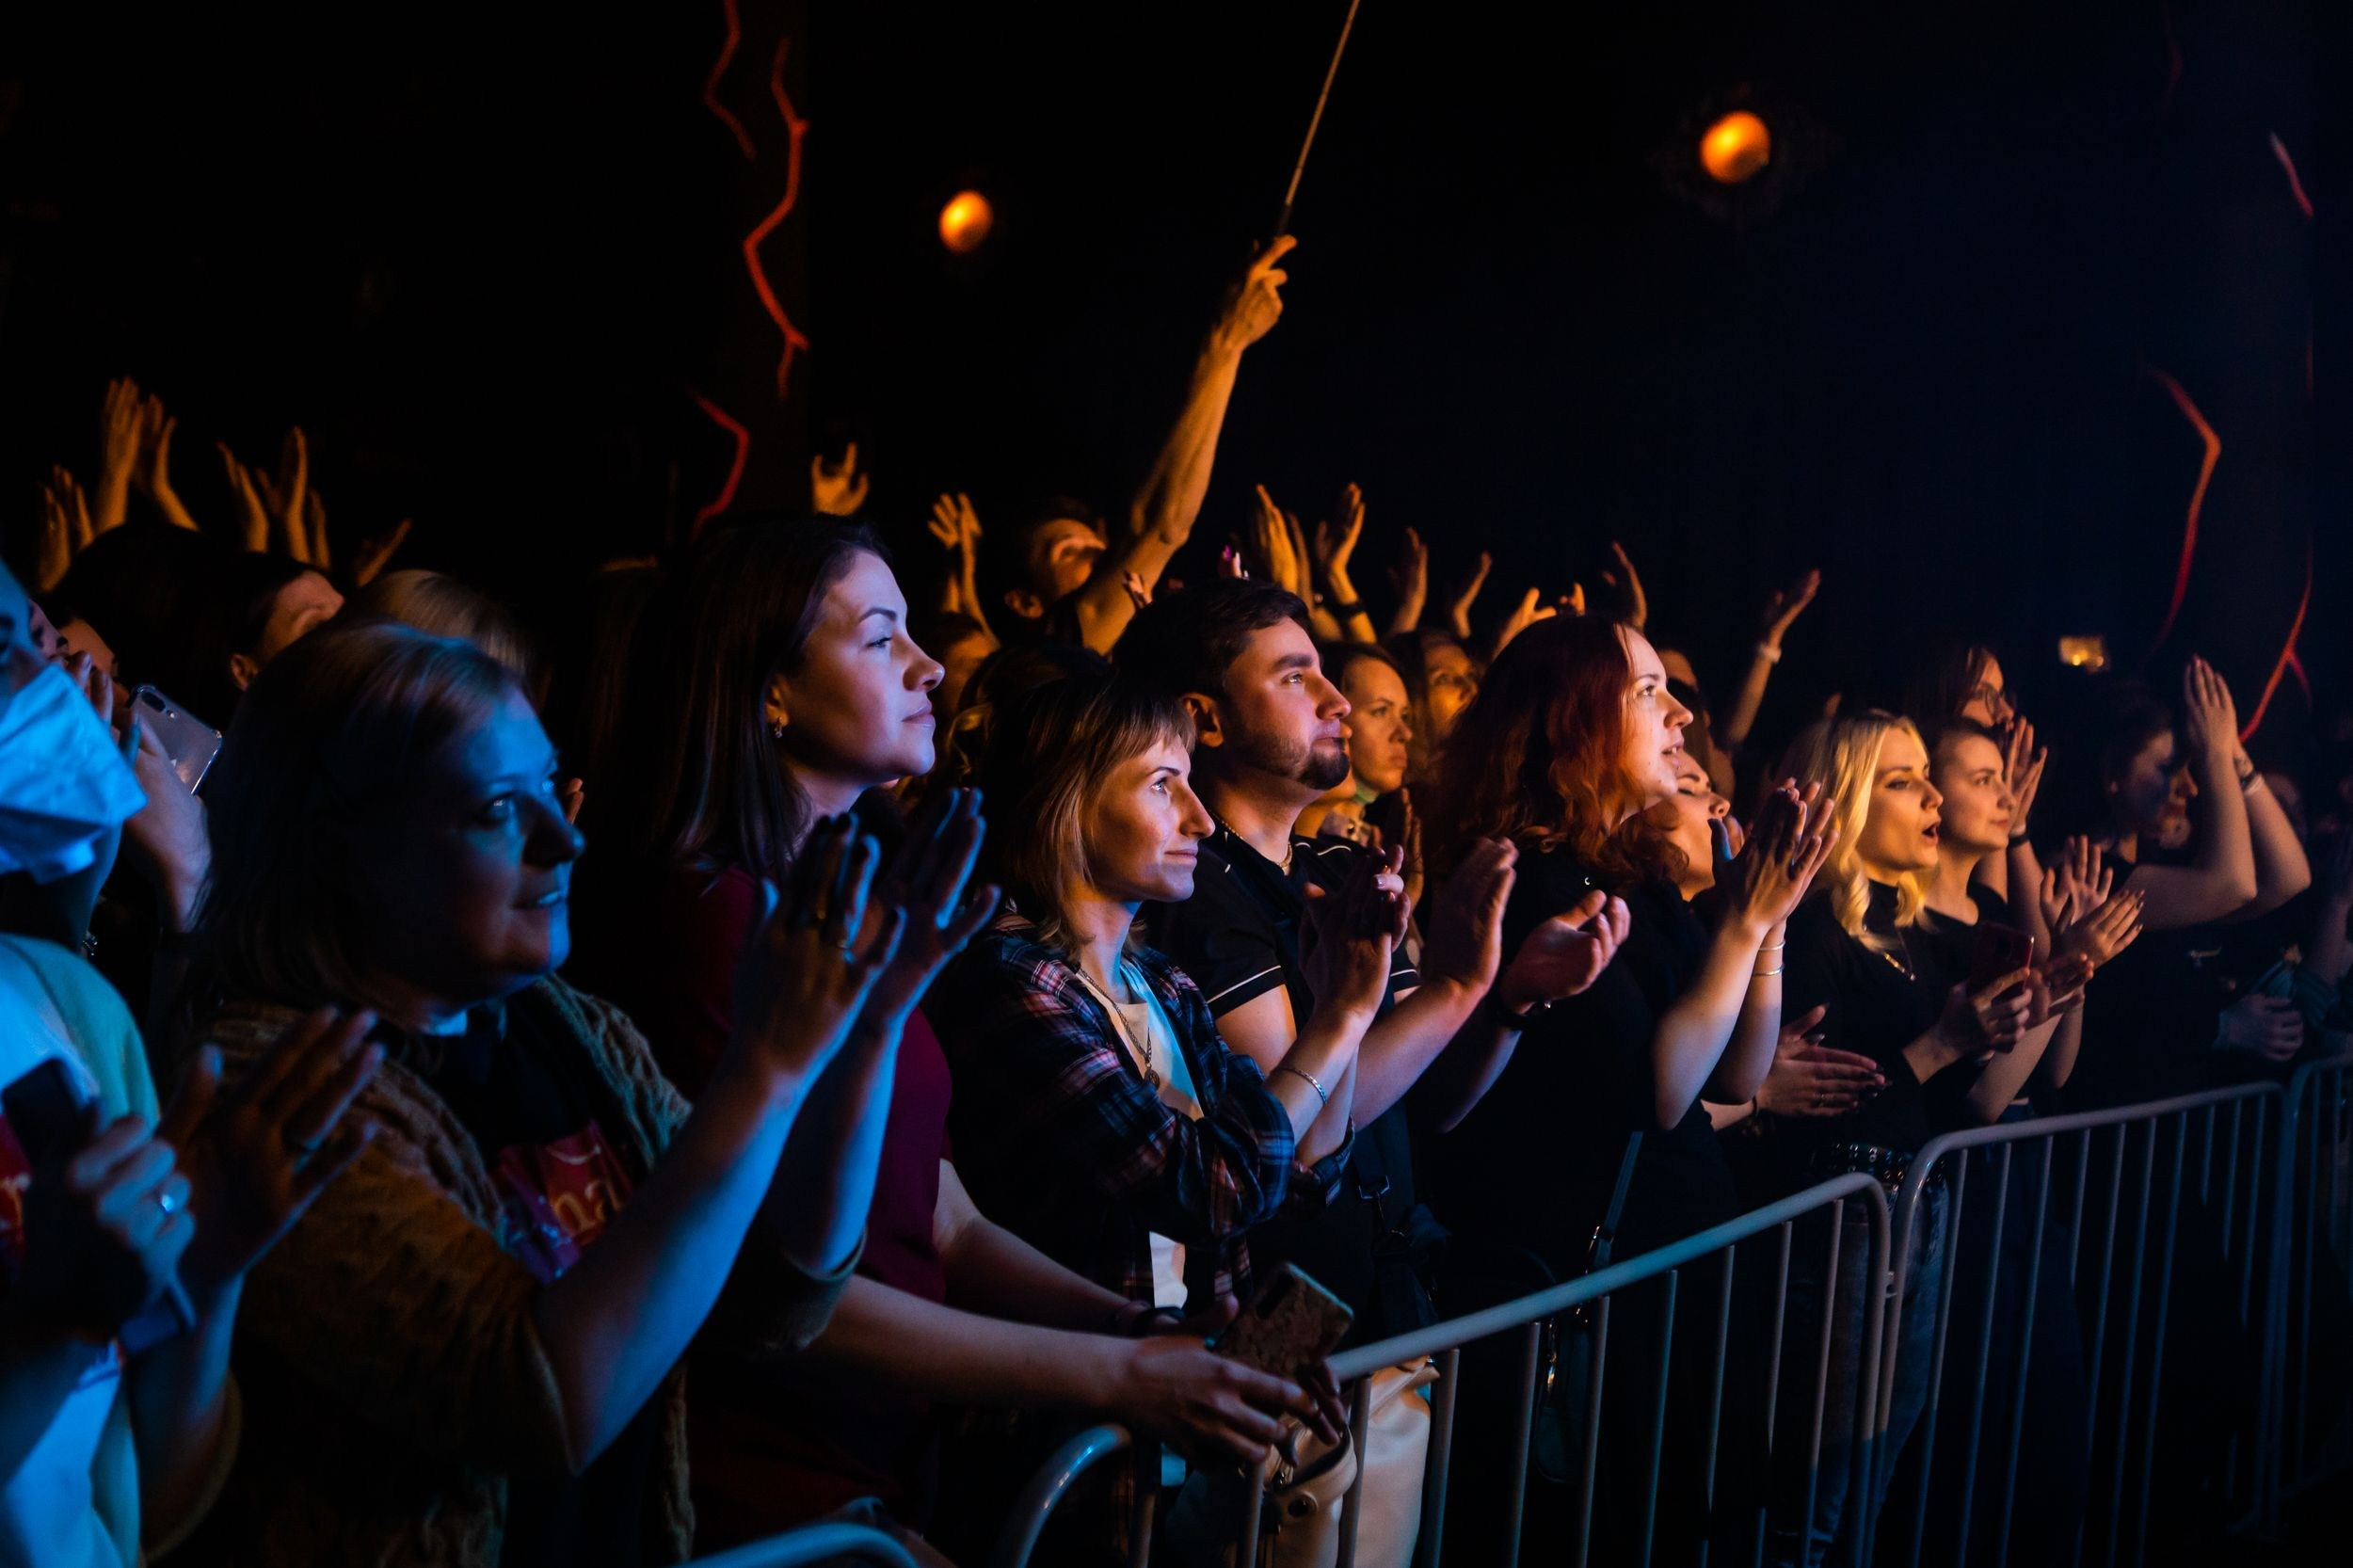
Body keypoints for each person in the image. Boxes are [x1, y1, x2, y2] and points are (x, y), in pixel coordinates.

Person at [570, 523, 1319, 1554]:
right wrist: (1120, 1373)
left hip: (884, 1465)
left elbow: (944, 1220)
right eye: (882, 638)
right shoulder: (713, 920)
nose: (929, 667)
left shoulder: (862, 905)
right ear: (770, 689)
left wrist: (1140, 1331)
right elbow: (785, 1298)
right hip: (767, 1488)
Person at [183, 619, 940, 1565]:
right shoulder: (273, 1086)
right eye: (499, 807)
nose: (563, 837)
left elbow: (776, 1299)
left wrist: (871, 1023)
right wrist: (765, 1070)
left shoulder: (569, 1026)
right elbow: (539, 1403)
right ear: (343, 849)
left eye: (549, 785)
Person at [1411, 614, 1830, 1564]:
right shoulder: (1536, 883)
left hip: (1674, 1284)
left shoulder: (1636, 874)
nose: (1681, 715)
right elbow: (1665, 1094)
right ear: (1573, 723)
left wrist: (1767, 925)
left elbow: (1738, 1070)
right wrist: (1743, 920)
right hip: (1597, 1300)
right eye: (1648, 692)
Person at [0, 560, 376, 1567]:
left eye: (46, 643)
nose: (65, 688)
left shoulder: (66, 1001)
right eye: (7, 654)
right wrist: (55, 1330)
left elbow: (142, 1513)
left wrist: (208, 1273)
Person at [1765, 711, 2065, 1568]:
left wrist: (2020, 1015)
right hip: (1836, 1236)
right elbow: (1812, 1105)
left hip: (1914, 1221)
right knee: (1813, 1494)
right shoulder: (1809, 932)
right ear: (1848, 802)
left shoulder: (1911, 936)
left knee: (1875, 1472)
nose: (1933, 796)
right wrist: (1941, 1044)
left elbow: (1958, 1100)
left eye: (1929, 777)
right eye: (1903, 781)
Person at [990, 239, 1294, 654]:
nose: (1102, 556)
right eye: (1070, 552)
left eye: (1097, 545)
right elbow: (1160, 526)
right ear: (1026, 602)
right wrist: (1226, 341)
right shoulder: (1054, 651)